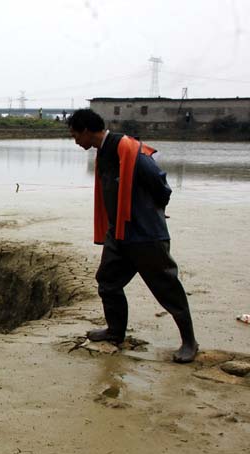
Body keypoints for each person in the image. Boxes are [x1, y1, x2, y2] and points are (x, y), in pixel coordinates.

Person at [67, 108, 198, 363]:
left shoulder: (130, 151)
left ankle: (189, 342)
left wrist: (150, 212)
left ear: (86, 130)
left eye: (75, 135)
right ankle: (115, 332)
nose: (75, 141)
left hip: (145, 235)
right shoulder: (103, 154)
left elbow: (161, 186)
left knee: (167, 288)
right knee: (108, 281)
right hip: (119, 234)